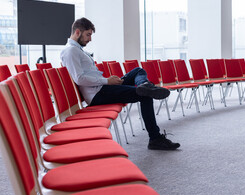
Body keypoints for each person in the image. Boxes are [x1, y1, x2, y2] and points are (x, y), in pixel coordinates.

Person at [61, 17, 180, 150]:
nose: (90, 39)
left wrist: (108, 81)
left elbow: (86, 76)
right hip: (98, 94)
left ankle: (145, 85)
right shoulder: (70, 51)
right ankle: (155, 138)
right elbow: (79, 79)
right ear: (77, 32)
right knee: (145, 96)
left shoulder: (76, 50)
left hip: (102, 87)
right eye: (88, 35)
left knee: (137, 71)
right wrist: (107, 81)